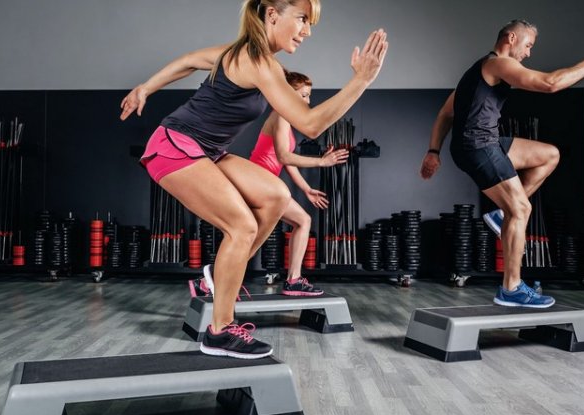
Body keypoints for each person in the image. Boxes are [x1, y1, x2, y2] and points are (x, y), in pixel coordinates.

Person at [120, 0, 388, 358]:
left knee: (276, 195)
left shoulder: (246, 56)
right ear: (272, 15)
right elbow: (309, 124)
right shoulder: (259, 63)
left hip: (207, 151)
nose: (307, 31)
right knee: (242, 226)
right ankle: (219, 331)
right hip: (175, 146)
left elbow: (187, 61)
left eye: (310, 24)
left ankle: (221, 272)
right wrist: (361, 81)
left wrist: (146, 87)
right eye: (302, 20)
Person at [420, 19, 584, 308]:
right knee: (522, 209)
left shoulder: (475, 72)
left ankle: (502, 215)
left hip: (484, 142)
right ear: (511, 38)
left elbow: (445, 114)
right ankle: (510, 288)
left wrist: (433, 150)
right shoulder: (498, 64)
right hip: (478, 146)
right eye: (528, 45)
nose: (529, 52)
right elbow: (550, 84)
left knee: (549, 154)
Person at [250, 70, 348, 296]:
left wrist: (306, 189)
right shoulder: (281, 116)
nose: (308, 100)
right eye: (303, 95)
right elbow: (284, 157)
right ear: (287, 94)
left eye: (309, 95)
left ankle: (209, 281)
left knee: (253, 233)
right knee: (302, 221)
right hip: (259, 182)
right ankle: (293, 280)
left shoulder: (284, 118)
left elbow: (285, 161)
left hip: (264, 183)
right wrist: (321, 162)